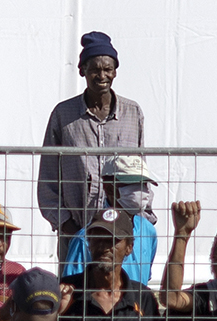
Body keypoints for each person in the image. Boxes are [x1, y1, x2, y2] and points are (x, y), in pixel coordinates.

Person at [38, 32, 143, 241]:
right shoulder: (63, 115)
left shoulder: (133, 113)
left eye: (108, 69)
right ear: (82, 70)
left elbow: (141, 172)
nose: (102, 76)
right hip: (76, 229)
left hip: (122, 234)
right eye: (94, 69)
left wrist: (140, 220)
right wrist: (67, 226)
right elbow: (48, 177)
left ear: (115, 72)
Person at [60, 157, 160, 284]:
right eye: (132, 184)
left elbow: (144, 279)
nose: (140, 191)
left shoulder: (148, 231)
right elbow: (71, 287)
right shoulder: (85, 238)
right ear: (108, 188)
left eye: (143, 184)